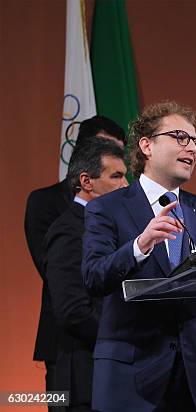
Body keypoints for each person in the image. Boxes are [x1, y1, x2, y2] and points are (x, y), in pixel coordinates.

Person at [82, 101, 196, 412]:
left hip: (190, 376)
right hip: (130, 376)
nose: (192, 148)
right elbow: (94, 276)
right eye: (181, 137)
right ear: (147, 146)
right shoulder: (107, 208)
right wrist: (140, 245)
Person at [24, 116, 125, 397]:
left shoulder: (119, 214)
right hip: (68, 343)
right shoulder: (51, 208)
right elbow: (59, 277)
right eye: (114, 173)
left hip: (115, 350)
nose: (123, 181)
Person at [43, 139, 127, 411]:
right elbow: (72, 310)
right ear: (87, 181)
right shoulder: (68, 231)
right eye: (116, 176)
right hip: (84, 382)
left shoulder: (109, 229)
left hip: (112, 376)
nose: (126, 185)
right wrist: (123, 338)